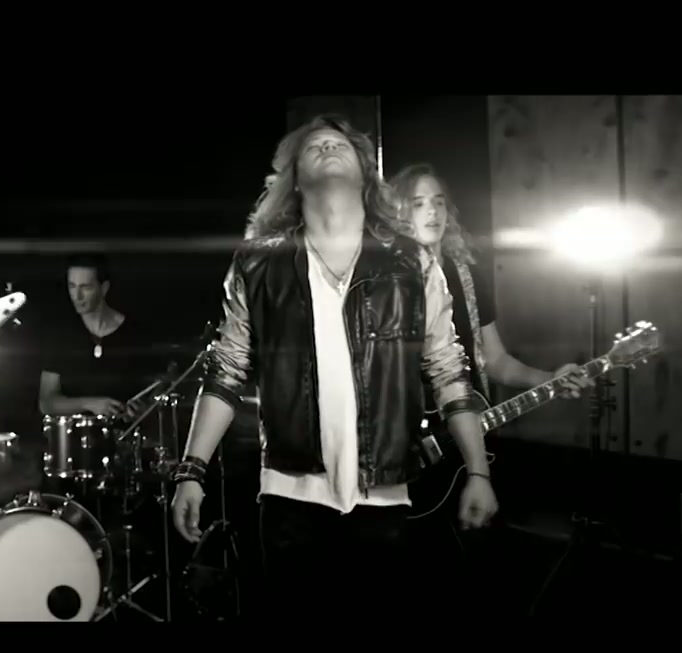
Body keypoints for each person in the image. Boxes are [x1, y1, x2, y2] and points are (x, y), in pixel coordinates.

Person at [168, 115, 496, 622]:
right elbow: (226, 371)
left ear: (365, 174)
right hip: (289, 498)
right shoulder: (258, 264)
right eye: (313, 146)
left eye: (338, 144)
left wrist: (478, 471)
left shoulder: (411, 263)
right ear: (295, 180)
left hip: (385, 497)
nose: (326, 147)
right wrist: (192, 472)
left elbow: (449, 368)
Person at [387, 163, 592, 402]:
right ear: (398, 215)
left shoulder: (467, 276)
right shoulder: (386, 283)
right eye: (418, 204)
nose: (432, 211)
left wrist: (549, 379)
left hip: (472, 417)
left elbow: (495, 361)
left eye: (439, 202)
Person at [38, 253, 154, 419]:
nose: (77, 296)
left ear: (104, 288)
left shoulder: (134, 334)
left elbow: (152, 394)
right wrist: (90, 404)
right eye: (72, 286)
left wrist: (141, 409)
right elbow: (47, 403)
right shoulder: (60, 334)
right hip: (73, 434)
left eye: (85, 287)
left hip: (125, 433)